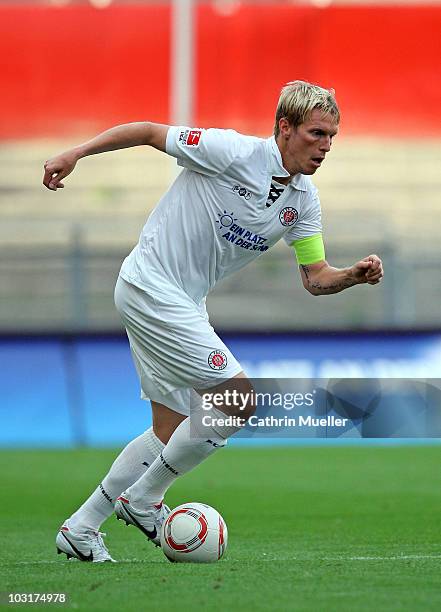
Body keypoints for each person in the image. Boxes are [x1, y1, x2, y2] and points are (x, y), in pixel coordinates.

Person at [43, 80, 383, 562]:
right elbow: (146, 132)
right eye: (316, 133)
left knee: (171, 428)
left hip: (180, 300)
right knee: (237, 399)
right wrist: (75, 154)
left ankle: (81, 527)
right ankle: (142, 500)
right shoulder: (231, 152)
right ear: (284, 128)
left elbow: (314, 277)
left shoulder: (303, 202)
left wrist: (352, 276)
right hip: (151, 285)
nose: (325, 146)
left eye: (332, 136)